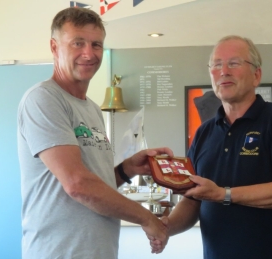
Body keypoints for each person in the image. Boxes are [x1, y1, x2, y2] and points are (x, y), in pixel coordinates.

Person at [17, 7, 171, 258]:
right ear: (55, 47)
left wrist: (127, 169)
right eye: (78, 43)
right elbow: (78, 185)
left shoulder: (91, 109)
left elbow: (96, 182)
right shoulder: (43, 99)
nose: (89, 54)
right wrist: (146, 218)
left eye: (96, 45)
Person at [154, 35, 272, 259]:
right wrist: (164, 228)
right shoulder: (204, 132)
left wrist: (222, 194)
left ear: (256, 75)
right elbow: (192, 200)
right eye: (216, 65)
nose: (223, 71)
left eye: (234, 63)